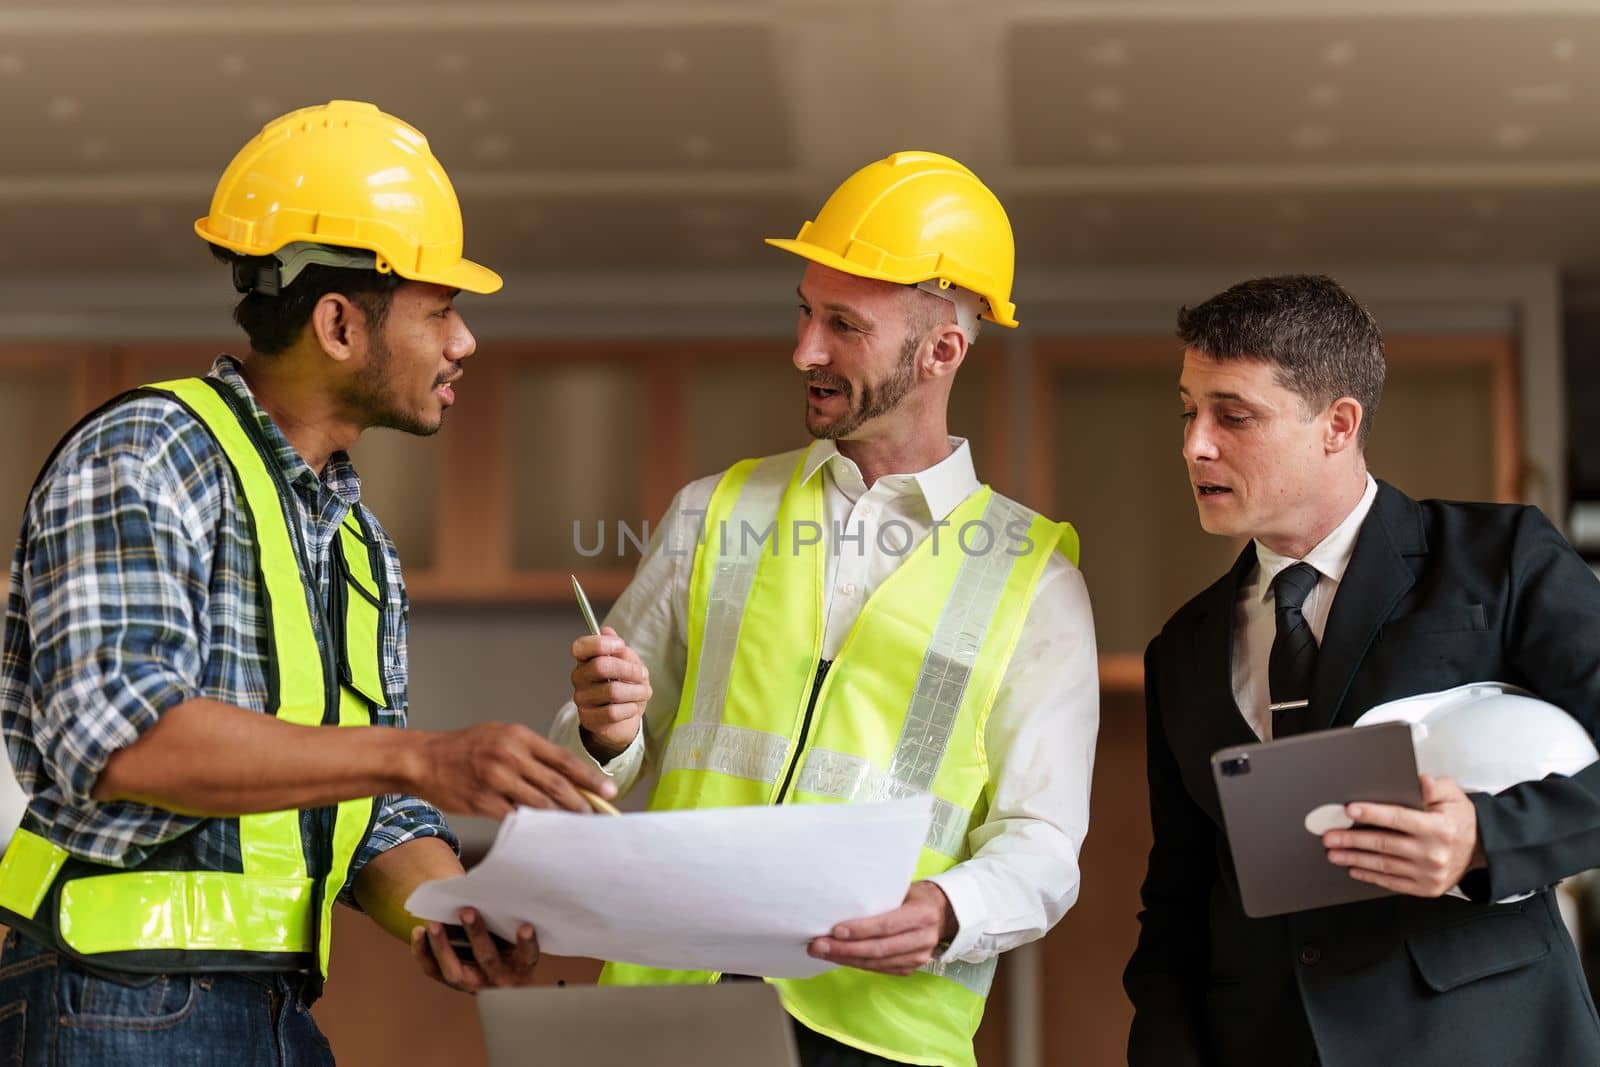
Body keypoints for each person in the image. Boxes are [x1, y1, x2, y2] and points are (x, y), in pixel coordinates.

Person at [0, 100, 616, 1064]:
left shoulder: (358, 542)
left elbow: (369, 815)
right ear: (337, 321)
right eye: (441, 309)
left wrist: (442, 908)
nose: (464, 344)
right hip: (116, 997)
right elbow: (123, 735)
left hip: (274, 1010)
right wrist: (421, 756)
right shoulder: (149, 450)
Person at [550, 151, 1099, 1067]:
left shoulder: (1033, 578)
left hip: (878, 1031)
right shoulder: (712, 511)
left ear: (942, 350)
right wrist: (606, 733)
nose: (805, 349)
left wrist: (949, 909)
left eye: (844, 324)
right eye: (805, 312)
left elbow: (1043, 843)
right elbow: (586, 767)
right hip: (669, 1008)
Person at [1124, 274, 1600, 1067]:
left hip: (1486, 1039)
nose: (1194, 444)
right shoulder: (1181, 646)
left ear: (1337, 424)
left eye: (1231, 415)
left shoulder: (1501, 559)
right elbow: (1178, 901)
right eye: (1189, 410)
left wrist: (1486, 837)